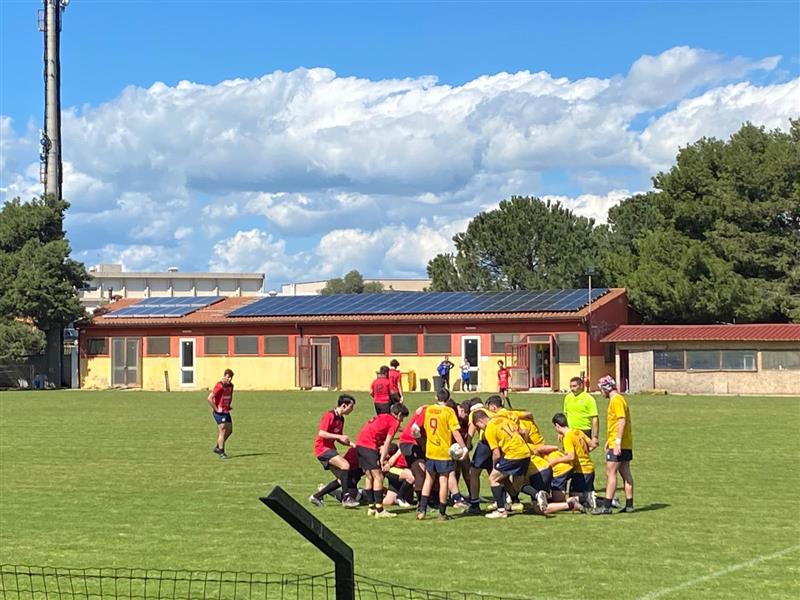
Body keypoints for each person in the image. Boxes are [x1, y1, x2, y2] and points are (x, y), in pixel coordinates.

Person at [414, 388, 468, 521]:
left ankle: (422, 510)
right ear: (448, 398)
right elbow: (455, 432)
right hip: (444, 452)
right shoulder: (449, 411)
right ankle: (442, 513)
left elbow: (418, 428)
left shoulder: (429, 410)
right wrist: (464, 447)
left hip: (430, 450)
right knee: (443, 481)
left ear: (436, 397)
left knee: (429, 480)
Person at [471, 409, 531, 519]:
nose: (480, 429)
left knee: (493, 478)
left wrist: (495, 465)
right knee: (515, 485)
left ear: (480, 421)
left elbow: (496, 453)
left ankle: (501, 510)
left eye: (479, 427)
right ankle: (536, 494)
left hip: (513, 455)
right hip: (526, 453)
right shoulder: (504, 419)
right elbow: (523, 432)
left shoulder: (489, 429)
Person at [355, 402, 409, 518]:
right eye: (403, 417)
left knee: (369, 476)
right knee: (378, 476)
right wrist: (382, 458)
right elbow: (387, 443)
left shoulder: (383, 416)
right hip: (369, 446)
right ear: (399, 414)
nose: (402, 420)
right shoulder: (394, 422)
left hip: (360, 444)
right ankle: (380, 510)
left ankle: (371, 507)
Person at [593, 376, 635, 514]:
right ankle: (629, 505)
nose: (601, 393)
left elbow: (621, 420)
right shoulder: (620, 399)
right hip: (625, 442)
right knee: (625, 472)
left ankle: (606, 506)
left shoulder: (616, 400)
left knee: (610, 472)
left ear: (606, 388)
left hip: (619, 444)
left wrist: (616, 442)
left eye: (601, 389)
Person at [309, 394, 359, 508]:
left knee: (342, 479)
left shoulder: (341, 418)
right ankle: (346, 498)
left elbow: (339, 437)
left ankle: (317, 496)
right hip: (322, 449)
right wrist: (338, 437)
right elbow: (322, 433)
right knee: (346, 465)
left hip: (330, 449)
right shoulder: (329, 415)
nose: (352, 410)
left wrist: (351, 444)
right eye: (351, 407)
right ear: (344, 405)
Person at [549, 412, 596, 509]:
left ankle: (590, 497)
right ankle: (608, 500)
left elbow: (571, 457)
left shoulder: (568, 437)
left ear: (557, 425)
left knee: (574, 496)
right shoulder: (577, 431)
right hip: (589, 468)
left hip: (581, 470)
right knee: (579, 496)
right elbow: (592, 445)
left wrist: (556, 460)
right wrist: (583, 453)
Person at [562, 376, 599, 450]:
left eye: (574, 386)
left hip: (584, 430)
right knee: (568, 454)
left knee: (582, 456)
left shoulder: (589, 399)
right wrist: (562, 431)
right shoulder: (567, 398)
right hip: (570, 431)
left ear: (581, 386)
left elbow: (595, 418)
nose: (572, 389)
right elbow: (566, 415)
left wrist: (595, 437)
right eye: (571, 386)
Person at [208, 369, 234, 459]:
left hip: (226, 411)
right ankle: (221, 453)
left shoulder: (231, 386)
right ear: (224, 376)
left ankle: (218, 447)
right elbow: (209, 398)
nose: (229, 379)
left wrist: (229, 405)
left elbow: (230, 396)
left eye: (231, 377)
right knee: (222, 430)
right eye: (228, 377)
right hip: (219, 412)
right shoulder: (219, 385)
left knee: (230, 430)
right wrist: (215, 409)